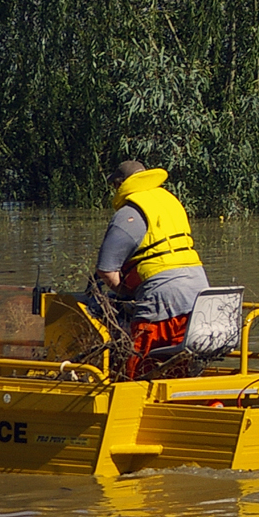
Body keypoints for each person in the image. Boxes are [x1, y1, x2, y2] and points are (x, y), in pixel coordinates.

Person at [94, 160, 208, 377]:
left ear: (120, 184)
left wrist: (125, 293)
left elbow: (106, 271)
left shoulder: (129, 213)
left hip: (163, 300)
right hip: (200, 294)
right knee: (182, 365)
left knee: (141, 366)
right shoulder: (170, 202)